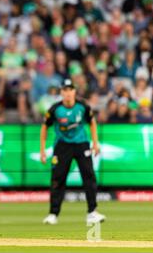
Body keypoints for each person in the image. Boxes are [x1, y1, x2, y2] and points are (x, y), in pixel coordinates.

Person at [40, 79, 106, 225]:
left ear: (75, 91)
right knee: (58, 178)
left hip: (81, 144)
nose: (68, 93)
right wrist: (42, 150)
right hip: (62, 146)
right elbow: (45, 127)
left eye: (70, 90)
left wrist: (95, 143)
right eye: (65, 90)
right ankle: (53, 214)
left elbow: (92, 122)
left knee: (89, 176)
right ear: (61, 92)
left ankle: (92, 212)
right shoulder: (55, 109)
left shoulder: (82, 106)